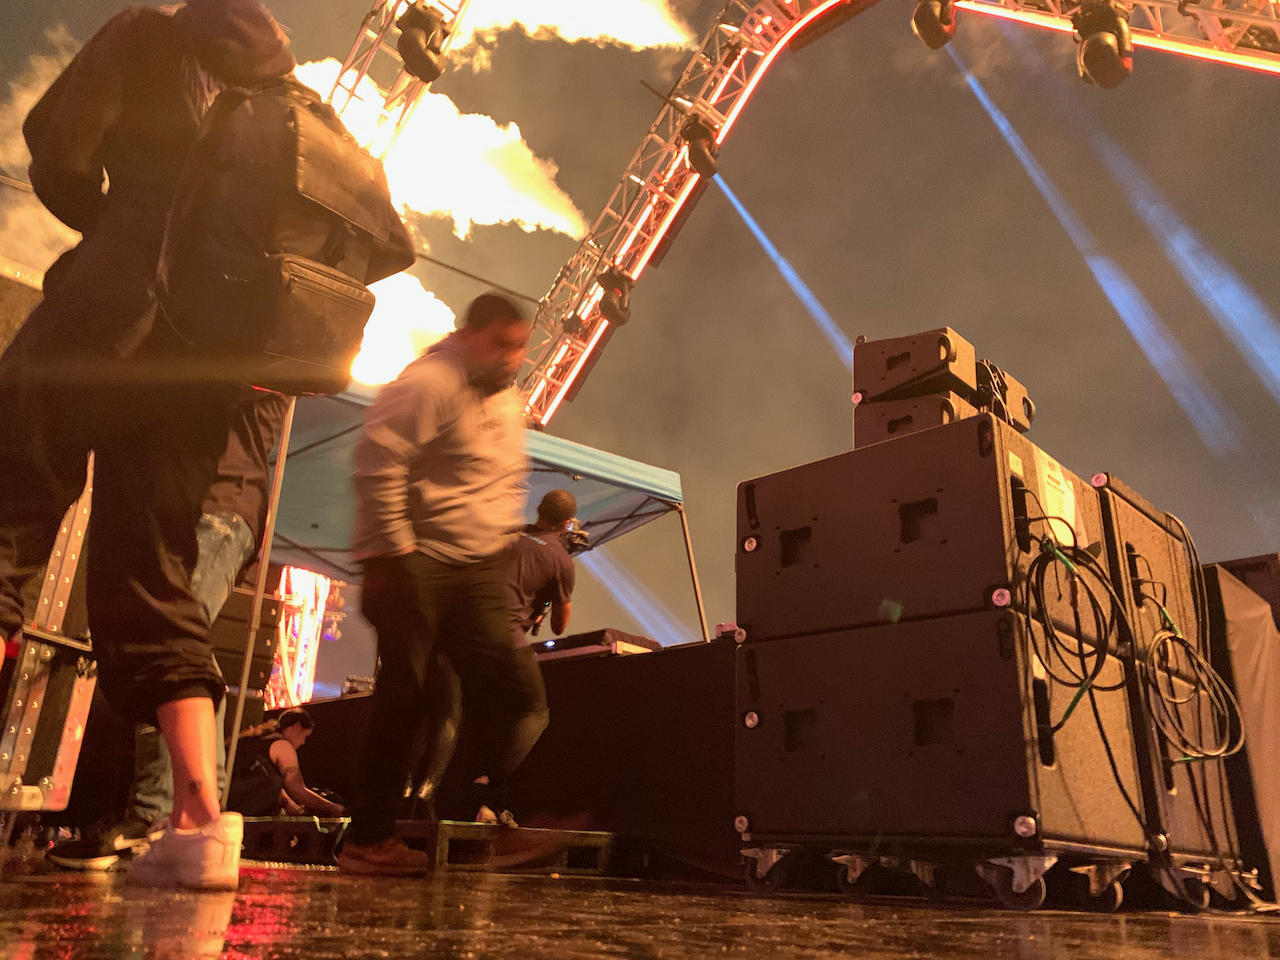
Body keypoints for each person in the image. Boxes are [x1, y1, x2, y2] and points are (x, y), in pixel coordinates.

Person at [0, 0, 296, 890]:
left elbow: (56, 147)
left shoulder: (145, 32)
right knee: (158, 576)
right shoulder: (292, 97)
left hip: (108, 307)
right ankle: (200, 828)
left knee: (7, 522)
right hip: (203, 358)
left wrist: (115, 226)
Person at [336, 293, 544, 876]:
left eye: (521, 346)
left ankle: (464, 814)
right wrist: (398, 551)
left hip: (478, 567)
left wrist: (501, 542)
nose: (514, 357)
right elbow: (378, 463)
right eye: (502, 344)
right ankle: (368, 841)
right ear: (469, 334)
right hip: (416, 560)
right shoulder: (428, 383)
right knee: (406, 696)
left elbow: (503, 476)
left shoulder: (504, 396)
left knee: (513, 691)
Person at [45, 391, 291, 872]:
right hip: (211, 503)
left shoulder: (254, 357)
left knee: (165, 637)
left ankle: (160, 820)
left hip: (214, 503)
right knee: (181, 641)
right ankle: (195, 822)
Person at [411, 489, 579, 823]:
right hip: (501, 636)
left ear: (539, 510)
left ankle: (421, 793)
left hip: (452, 630)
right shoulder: (560, 559)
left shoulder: (506, 536)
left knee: (449, 714)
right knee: (535, 710)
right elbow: (560, 626)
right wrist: (548, 598)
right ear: (567, 523)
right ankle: (489, 787)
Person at [226, 708, 345, 818]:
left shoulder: (261, 738)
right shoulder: (282, 745)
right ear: (297, 726)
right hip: (237, 805)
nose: (303, 742)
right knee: (276, 782)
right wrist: (332, 807)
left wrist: (289, 804)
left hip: (227, 795)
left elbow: (259, 777)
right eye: (305, 736)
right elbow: (297, 789)